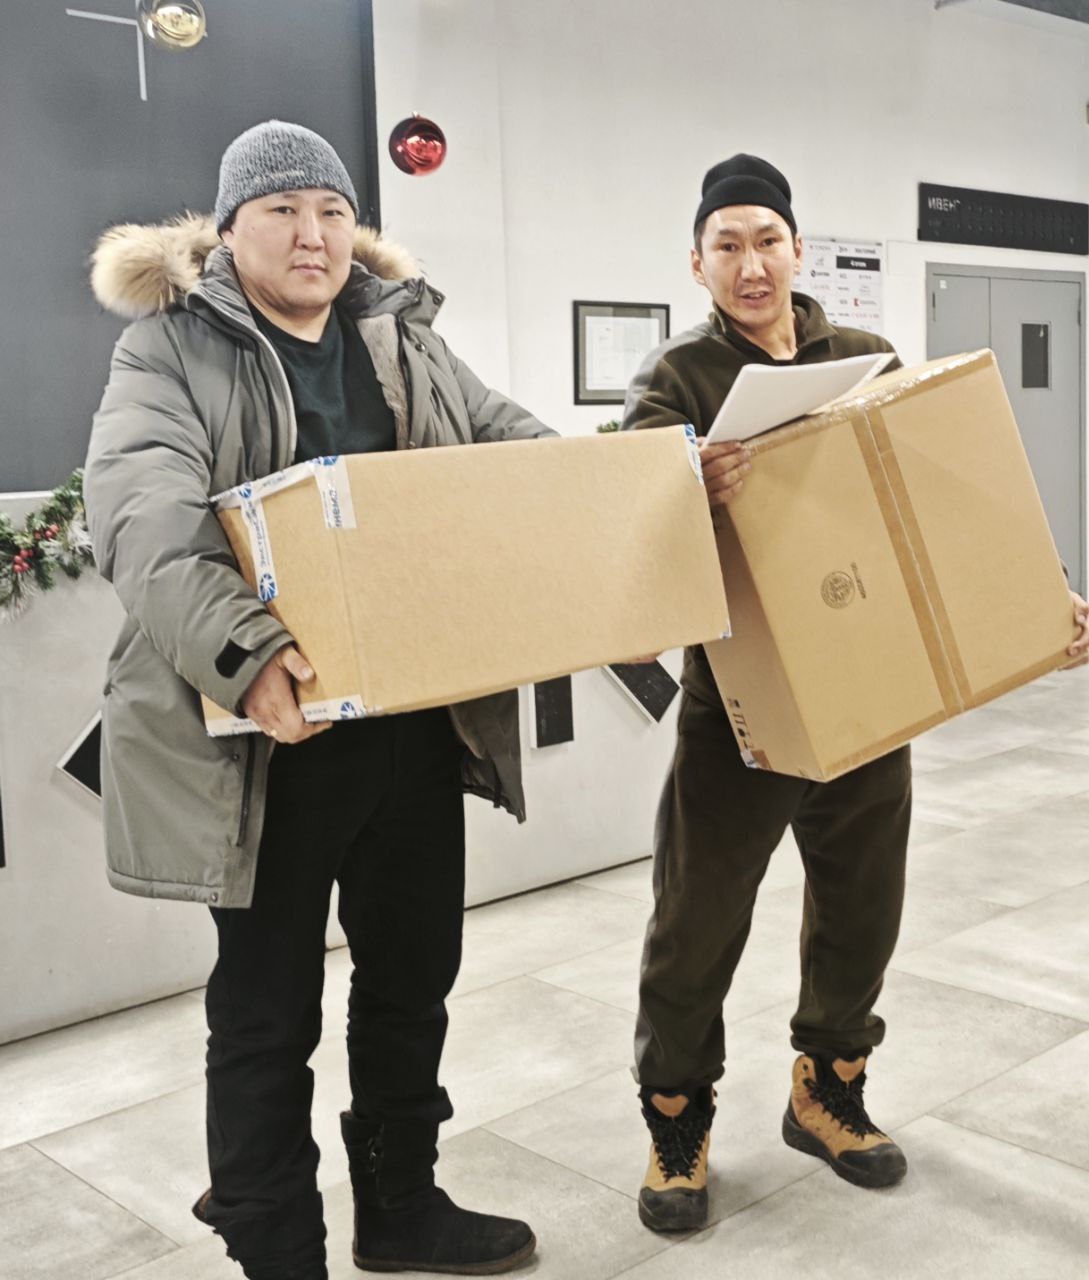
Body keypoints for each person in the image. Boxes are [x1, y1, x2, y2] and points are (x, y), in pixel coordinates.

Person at [84, 121, 553, 1280]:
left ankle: (402, 1205)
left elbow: (511, 449)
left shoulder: (402, 340)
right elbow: (145, 517)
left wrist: (630, 487)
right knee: (267, 1010)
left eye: (333, 211)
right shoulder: (168, 348)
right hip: (267, 740)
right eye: (283, 210)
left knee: (412, 981)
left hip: (412, 725)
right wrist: (246, 652)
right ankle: (276, 1242)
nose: (313, 234)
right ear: (228, 229)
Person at [622, 152, 1089, 1233]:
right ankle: (676, 1116)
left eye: (766, 241)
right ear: (697, 263)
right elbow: (634, 529)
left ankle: (827, 1090)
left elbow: (939, 498)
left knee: (862, 905)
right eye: (727, 245)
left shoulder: (864, 358)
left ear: (797, 249)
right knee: (696, 918)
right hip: (741, 709)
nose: (750, 265)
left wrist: (1040, 594)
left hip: (870, 685)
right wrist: (691, 481)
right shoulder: (676, 379)